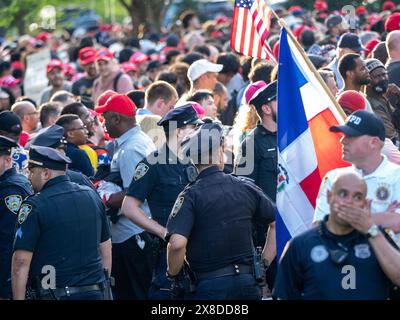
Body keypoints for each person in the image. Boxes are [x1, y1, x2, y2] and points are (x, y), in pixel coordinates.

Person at [166, 122, 276, 300]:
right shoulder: (246, 187)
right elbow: (276, 222)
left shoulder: (189, 196)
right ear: (220, 153)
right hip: (248, 283)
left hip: (209, 287)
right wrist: (263, 264)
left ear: (193, 161)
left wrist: (172, 273)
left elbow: (177, 244)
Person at [274, 172, 399, 300]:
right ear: (329, 196)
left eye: (357, 197)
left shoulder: (378, 238)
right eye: (343, 194)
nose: (349, 202)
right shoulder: (301, 245)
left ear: (365, 204)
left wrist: (371, 230)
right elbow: (284, 295)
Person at [121, 103, 202, 299]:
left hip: (201, 249)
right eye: (195, 128)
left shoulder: (197, 159)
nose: (200, 132)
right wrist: (163, 232)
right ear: (181, 131)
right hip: (170, 254)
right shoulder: (153, 163)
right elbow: (129, 207)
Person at [12, 146, 112, 300]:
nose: (29, 178)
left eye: (31, 172)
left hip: (53, 294)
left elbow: (20, 262)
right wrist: (104, 289)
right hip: (94, 291)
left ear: (45, 173)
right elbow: (105, 247)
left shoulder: (34, 205)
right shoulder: (91, 195)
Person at [94, 93, 156, 300]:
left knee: (135, 294)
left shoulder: (131, 148)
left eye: (105, 117)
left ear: (116, 119)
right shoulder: (135, 141)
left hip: (133, 234)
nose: (103, 123)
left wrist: (106, 197)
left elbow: (135, 193)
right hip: (133, 233)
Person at [313, 110, 400, 237]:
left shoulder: (396, 176)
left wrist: (340, 219)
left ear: (373, 142)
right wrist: (378, 218)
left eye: (351, 136)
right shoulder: (334, 177)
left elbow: (397, 224)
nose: (342, 140)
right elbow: (319, 228)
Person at [0, 136, 32, 299]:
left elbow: (9, 241)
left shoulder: (10, 190)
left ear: (7, 160)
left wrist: (5, 284)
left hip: (7, 277)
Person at [30, 124, 94, 189]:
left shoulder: (32, 181)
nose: (64, 152)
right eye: (60, 148)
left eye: (63, 148)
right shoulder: (81, 179)